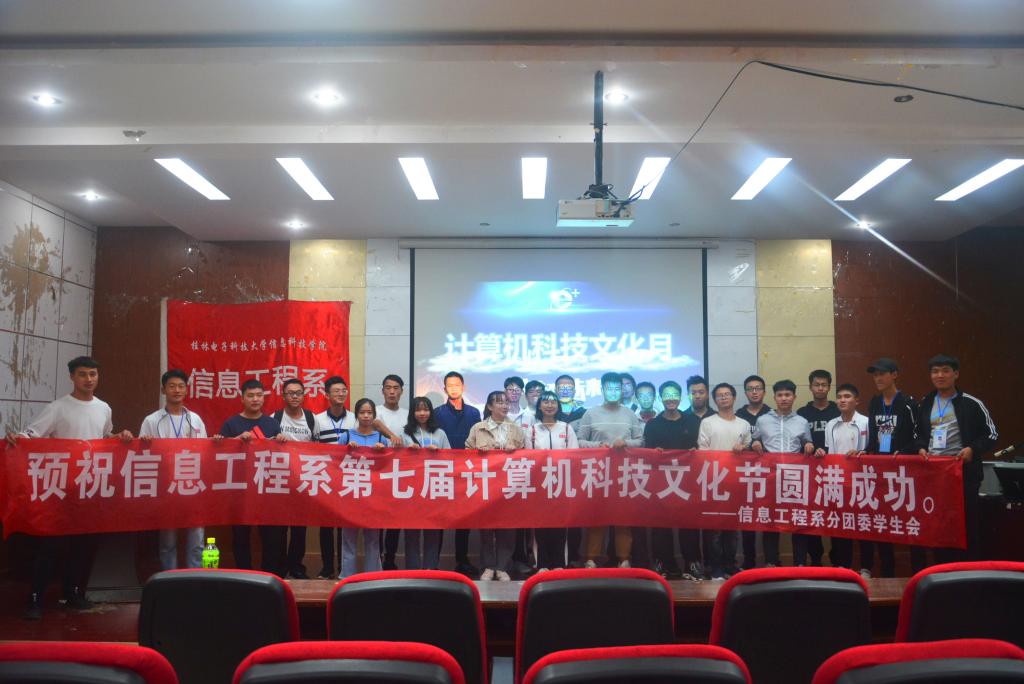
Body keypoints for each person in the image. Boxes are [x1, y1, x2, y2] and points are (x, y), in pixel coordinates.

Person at [7, 356, 133, 621]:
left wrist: (120, 437)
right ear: (72, 377)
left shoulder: (104, 408)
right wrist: (18, 439)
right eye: (83, 374)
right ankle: (36, 598)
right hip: (61, 489)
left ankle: (73, 594)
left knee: (83, 546)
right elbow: (32, 435)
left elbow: (104, 437)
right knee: (51, 546)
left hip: (89, 488)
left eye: (93, 374)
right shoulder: (58, 408)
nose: (89, 379)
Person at [915, 354, 997, 565]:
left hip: (963, 475)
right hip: (935, 476)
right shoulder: (926, 403)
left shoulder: (971, 403)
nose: (940, 375)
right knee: (940, 526)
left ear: (956, 374)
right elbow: (919, 435)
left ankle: (969, 571)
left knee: (967, 525)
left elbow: (991, 434)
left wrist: (972, 449)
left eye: (945, 370)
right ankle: (942, 570)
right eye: (935, 371)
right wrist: (921, 448)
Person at [213, 379, 288, 576]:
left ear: (264, 398)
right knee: (240, 535)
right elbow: (220, 456)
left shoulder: (272, 424)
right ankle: (244, 576)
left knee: (271, 537)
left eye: (259, 395)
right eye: (250, 395)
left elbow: (280, 456)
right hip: (240, 489)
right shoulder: (231, 423)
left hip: (266, 488)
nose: (255, 399)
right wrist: (234, 441)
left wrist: (281, 441)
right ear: (242, 398)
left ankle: (269, 577)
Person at [140, 369, 208, 572]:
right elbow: (142, 454)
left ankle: (195, 577)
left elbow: (205, 452)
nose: (177, 390)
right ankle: (169, 578)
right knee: (167, 540)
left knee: (196, 538)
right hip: (166, 486)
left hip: (192, 484)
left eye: (181, 386)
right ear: (163, 390)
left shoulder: (195, 419)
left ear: (187, 390)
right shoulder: (151, 420)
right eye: (172, 386)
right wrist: (145, 444)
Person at [577, 372, 644, 569]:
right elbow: (580, 441)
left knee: (623, 517)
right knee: (597, 516)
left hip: (625, 473)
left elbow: (640, 440)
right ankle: (591, 558)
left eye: (617, 388)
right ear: (602, 390)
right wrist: (598, 446)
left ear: (622, 391)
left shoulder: (629, 414)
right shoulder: (590, 413)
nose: (613, 392)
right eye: (609, 388)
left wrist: (626, 443)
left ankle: (624, 559)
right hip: (597, 472)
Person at [862, 358, 918, 577]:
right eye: (875, 375)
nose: (878, 378)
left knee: (909, 522)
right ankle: (887, 572)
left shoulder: (908, 403)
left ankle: (917, 572)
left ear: (894, 375)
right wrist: (866, 451)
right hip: (881, 471)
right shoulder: (875, 402)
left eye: (882, 374)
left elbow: (919, 436)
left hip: (904, 472)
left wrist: (905, 451)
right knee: (883, 521)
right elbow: (874, 436)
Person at [751, 380, 815, 566]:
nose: (784, 398)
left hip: (794, 478)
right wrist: (755, 443)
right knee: (770, 521)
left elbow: (807, 442)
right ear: (774, 397)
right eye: (780, 395)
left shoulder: (802, 422)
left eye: (788, 395)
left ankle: (800, 562)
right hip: (770, 478)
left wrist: (809, 445)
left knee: (798, 521)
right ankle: (771, 561)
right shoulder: (762, 420)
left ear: (794, 397)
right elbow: (754, 441)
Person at [465, 390, 526, 581]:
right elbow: (465, 454)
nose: (505, 406)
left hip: (509, 484)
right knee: (485, 527)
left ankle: (503, 567)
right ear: (490, 406)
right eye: (499, 402)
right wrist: (477, 452)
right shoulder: (478, 428)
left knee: (508, 527)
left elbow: (527, 456)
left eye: (506, 402)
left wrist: (516, 452)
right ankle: (488, 566)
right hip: (485, 484)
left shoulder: (516, 428)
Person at [646, 380, 703, 579]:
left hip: (688, 481)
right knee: (661, 525)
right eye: (667, 395)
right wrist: (654, 452)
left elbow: (701, 447)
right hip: (661, 482)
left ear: (681, 397)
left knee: (689, 524)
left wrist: (696, 451)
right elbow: (646, 453)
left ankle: (692, 562)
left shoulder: (693, 421)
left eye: (674, 395)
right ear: (661, 398)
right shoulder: (653, 424)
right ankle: (664, 563)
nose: (671, 399)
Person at [697, 382, 752, 579]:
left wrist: (743, 449)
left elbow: (749, 449)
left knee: (732, 526)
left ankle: (730, 564)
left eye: (727, 394)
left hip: (736, 482)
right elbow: (702, 451)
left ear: (734, 397)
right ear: (714, 400)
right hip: (713, 481)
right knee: (714, 528)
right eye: (719, 395)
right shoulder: (708, 422)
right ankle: (714, 567)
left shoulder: (743, 424)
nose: (723, 397)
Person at [433, 371, 482, 577]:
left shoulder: (474, 413)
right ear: (444, 389)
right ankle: (433, 561)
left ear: (463, 387)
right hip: (443, 471)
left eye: (457, 385)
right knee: (438, 518)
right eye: (450, 385)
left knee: (465, 519)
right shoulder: (437, 413)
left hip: (467, 471)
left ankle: (462, 560)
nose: (453, 388)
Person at [816, 383, 869, 571]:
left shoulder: (866, 422)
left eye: (847, 397)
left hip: (861, 482)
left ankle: (866, 568)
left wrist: (863, 452)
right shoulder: (831, 424)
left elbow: (872, 451)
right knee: (839, 525)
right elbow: (830, 451)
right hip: (837, 482)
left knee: (863, 525)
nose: (842, 400)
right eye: (839, 397)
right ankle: (841, 566)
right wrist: (821, 453)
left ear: (857, 400)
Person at [526, 390, 580, 571]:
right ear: (539, 406)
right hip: (539, 485)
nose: (549, 405)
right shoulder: (532, 430)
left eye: (553, 402)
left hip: (562, 485)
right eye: (545, 402)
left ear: (558, 406)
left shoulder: (566, 428)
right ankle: (542, 563)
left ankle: (558, 563)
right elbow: (527, 458)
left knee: (560, 524)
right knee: (540, 525)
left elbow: (574, 455)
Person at [271, 377, 318, 579]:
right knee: (280, 528)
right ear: (283, 396)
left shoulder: (311, 418)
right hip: (281, 479)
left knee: (300, 528)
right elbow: (266, 446)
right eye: (290, 393)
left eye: (298, 393)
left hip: (303, 480)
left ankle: (296, 567)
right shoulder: (275, 417)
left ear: (304, 395)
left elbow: (318, 448)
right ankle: (280, 567)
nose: (295, 397)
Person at [313, 375, 356, 578]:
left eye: (343, 391)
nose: (341, 394)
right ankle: (327, 567)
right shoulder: (317, 419)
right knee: (326, 525)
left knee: (344, 526)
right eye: (336, 391)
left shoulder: (354, 418)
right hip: (326, 478)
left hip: (348, 478)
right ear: (327, 395)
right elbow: (312, 448)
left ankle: (343, 568)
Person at [796, 370, 839, 566]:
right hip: (810, 474)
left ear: (829, 387)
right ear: (810, 387)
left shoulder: (838, 411)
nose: (820, 388)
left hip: (835, 472)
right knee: (813, 517)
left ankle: (838, 559)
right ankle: (815, 559)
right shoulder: (802, 413)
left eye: (824, 385)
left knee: (836, 516)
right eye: (816, 384)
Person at [339, 398, 387, 577]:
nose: (366, 416)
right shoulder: (346, 436)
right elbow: (335, 463)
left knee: (373, 539)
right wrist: (346, 450)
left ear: (374, 415)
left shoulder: (381, 438)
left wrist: (383, 452)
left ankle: (373, 576)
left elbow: (390, 466)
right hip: (351, 494)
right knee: (349, 539)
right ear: (356, 415)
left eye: (369, 413)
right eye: (362, 412)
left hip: (373, 496)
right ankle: (346, 576)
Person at [401, 396, 450, 569]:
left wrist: (438, 454)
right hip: (411, 490)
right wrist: (407, 452)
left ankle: (431, 568)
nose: (422, 413)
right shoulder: (404, 433)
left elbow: (451, 459)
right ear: (412, 413)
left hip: (434, 489)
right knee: (411, 533)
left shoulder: (440, 433)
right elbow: (396, 461)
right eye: (418, 410)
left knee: (433, 532)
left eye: (426, 409)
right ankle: (413, 570)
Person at [736, 374, 769, 569]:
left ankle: (771, 561)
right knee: (747, 518)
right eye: (750, 389)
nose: (754, 392)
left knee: (768, 517)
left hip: (768, 474)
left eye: (758, 388)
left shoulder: (772, 414)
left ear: (764, 392)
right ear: (745, 392)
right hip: (744, 474)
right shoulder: (738, 416)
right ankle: (749, 562)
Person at [682, 375, 715, 576]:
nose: (697, 396)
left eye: (701, 392)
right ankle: (691, 562)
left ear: (707, 393)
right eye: (693, 392)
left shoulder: (717, 417)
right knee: (688, 523)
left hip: (713, 478)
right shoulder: (681, 418)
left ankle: (711, 563)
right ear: (688, 394)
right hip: (686, 480)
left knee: (711, 524)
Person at [378, 374, 408, 570]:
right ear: (382, 390)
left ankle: (390, 559)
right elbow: (373, 424)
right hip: (380, 473)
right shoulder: (375, 411)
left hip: (401, 473)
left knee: (396, 519)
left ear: (402, 391)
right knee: (378, 519)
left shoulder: (407, 414)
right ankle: (378, 559)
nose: (392, 392)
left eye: (396, 388)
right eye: (388, 388)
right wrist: (392, 436)